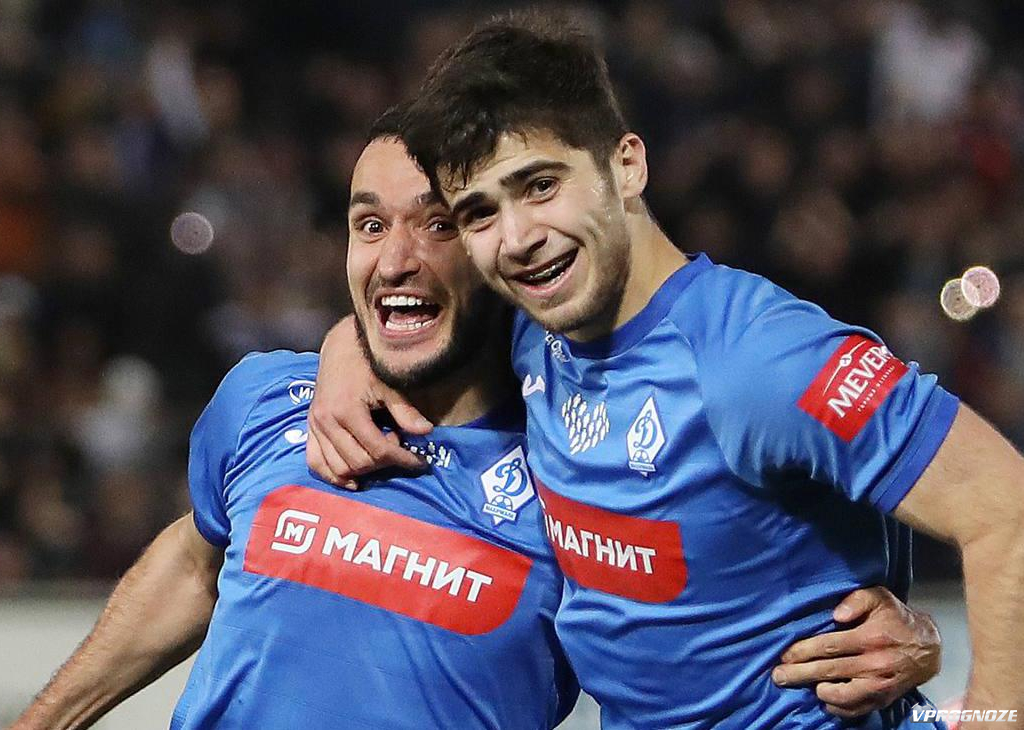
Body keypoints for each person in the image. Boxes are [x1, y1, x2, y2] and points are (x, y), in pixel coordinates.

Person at [13, 118, 940, 730]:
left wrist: (897, 633)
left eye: (438, 226)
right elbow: (197, 558)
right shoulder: (266, 399)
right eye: (369, 225)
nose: (395, 258)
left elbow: (741, 605)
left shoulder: (588, 468)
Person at [306, 14, 1024, 729]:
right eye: (480, 213)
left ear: (626, 166)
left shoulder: (754, 358)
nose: (518, 237)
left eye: (541, 185)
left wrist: (995, 715)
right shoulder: (533, 331)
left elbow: (1006, 508)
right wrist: (345, 356)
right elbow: (409, 319)